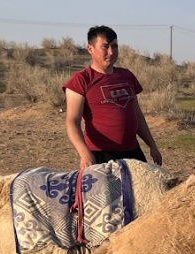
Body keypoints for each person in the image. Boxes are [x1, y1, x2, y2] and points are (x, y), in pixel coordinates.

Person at [63, 25, 162, 170]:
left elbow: (137, 115)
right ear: (90, 49)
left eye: (115, 46)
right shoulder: (81, 80)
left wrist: (152, 146)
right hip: (100, 154)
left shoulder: (126, 76)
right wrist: (85, 153)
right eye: (105, 46)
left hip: (132, 152)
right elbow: (72, 121)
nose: (111, 52)